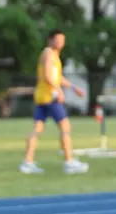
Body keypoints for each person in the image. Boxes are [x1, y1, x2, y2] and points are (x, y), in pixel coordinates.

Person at [19, 29, 89, 175]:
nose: (60, 43)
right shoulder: (49, 53)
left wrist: (73, 87)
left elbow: (57, 77)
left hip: (42, 96)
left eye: (62, 40)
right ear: (50, 40)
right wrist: (59, 90)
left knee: (37, 129)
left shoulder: (54, 56)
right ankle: (69, 162)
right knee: (65, 127)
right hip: (50, 97)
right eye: (58, 40)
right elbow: (47, 76)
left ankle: (27, 162)